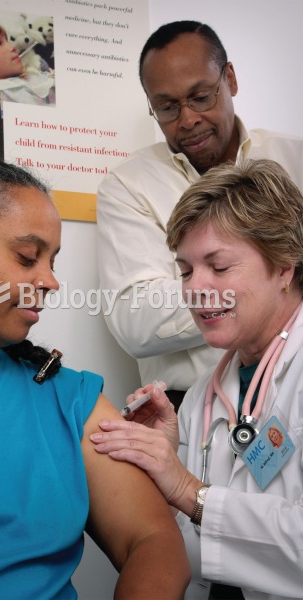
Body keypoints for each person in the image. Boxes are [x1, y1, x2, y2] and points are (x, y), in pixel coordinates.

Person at [0, 152, 189, 599]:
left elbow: (153, 542)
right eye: (27, 257)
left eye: (52, 262)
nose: (51, 282)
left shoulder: (66, 396)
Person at [91, 158, 303, 600]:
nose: (195, 289)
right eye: (185, 271)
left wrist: (190, 490)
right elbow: (195, 553)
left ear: (284, 265)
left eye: (219, 267)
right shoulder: (204, 396)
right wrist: (166, 473)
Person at [96, 20, 303, 410]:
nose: (187, 119)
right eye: (167, 107)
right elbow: (136, 320)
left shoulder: (296, 158)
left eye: (201, 97)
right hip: (190, 404)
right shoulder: (128, 186)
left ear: (230, 79)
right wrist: (261, 288)